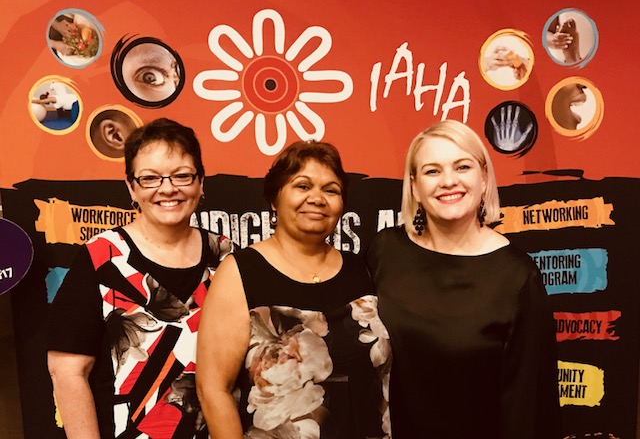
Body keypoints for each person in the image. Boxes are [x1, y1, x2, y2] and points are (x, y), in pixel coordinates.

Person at [366, 120, 561, 438]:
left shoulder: (517, 277)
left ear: (484, 178)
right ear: (414, 185)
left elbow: (530, 408)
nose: (448, 181)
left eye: (462, 166)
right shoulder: (385, 250)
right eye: (432, 171)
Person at [47, 118, 234, 438]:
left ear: (200, 182)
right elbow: (67, 372)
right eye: (149, 178)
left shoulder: (226, 256)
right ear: (131, 187)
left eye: (182, 175)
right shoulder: (102, 257)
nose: (168, 188)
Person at [196, 140, 391, 438]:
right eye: (302, 186)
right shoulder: (241, 272)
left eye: (331, 190)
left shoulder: (363, 272)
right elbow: (213, 390)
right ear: (274, 199)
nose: (317, 198)